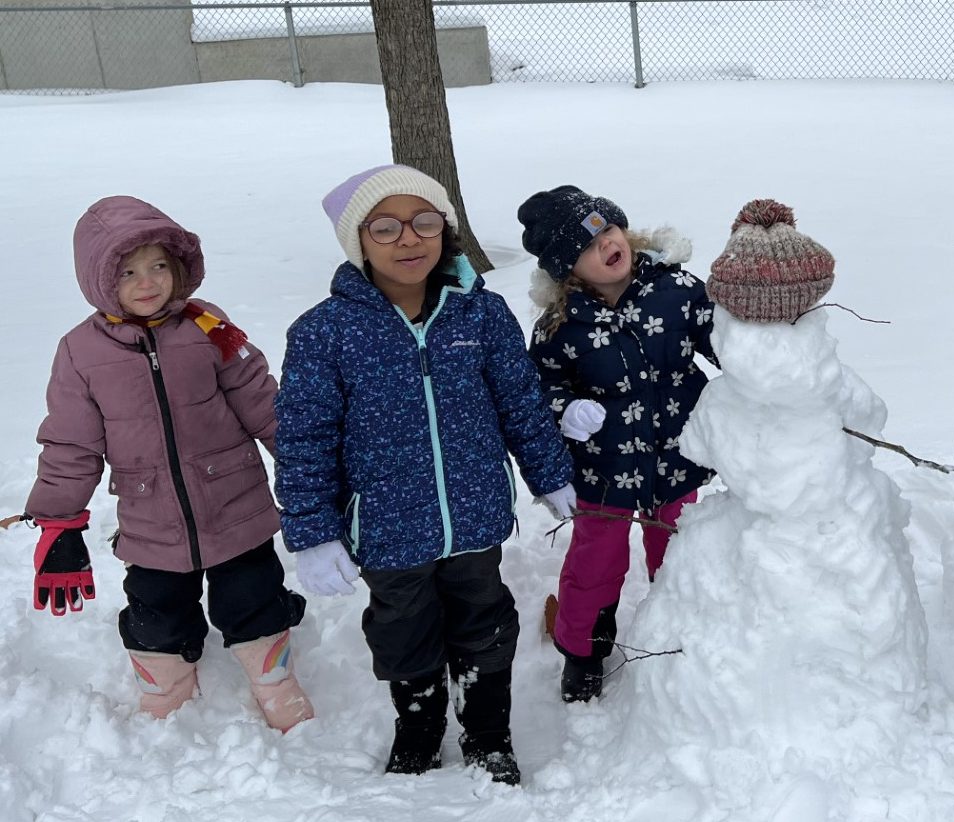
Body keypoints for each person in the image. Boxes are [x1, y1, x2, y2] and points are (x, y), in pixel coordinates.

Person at [276, 165, 575, 783]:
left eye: (424, 221)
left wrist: (549, 474)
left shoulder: (481, 315)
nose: (408, 239)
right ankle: (419, 723)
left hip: (473, 513)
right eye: (385, 227)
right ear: (359, 241)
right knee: (402, 627)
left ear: (446, 229)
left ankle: (489, 732)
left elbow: (519, 401)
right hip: (385, 525)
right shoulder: (324, 332)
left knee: (484, 621)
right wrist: (313, 532)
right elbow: (305, 439)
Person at [23, 195, 312, 731]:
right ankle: (167, 692)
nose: (148, 281)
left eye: (159, 265)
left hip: (236, 503)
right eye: (128, 271)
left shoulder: (208, 325)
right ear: (100, 280)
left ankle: (275, 683)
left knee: (254, 598)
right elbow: (71, 443)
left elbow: (260, 399)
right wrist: (59, 519)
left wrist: (307, 462)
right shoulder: (80, 352)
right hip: (150, 515)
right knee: (155, 613)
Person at [517, 185, 716, 703]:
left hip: (676, 459)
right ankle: (583, 654)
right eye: (587, 246)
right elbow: (539, 387)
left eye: (607, 228)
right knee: (596, 563)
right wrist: (566, 411)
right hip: (603, 468)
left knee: (676, 550)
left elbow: (725, 342)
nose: (606, 244)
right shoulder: (560, 327)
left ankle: (677, 630)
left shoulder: (677, 291)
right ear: (568, 271)